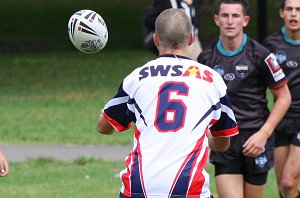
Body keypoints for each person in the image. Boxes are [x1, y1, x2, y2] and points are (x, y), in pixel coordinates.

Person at [97, 8, 239, 198]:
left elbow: (104, 128)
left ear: (155, 39)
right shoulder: (213, 81)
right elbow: (223, 143)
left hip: (139, 188)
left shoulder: (137, 78)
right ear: (190, 39)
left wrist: (103, 115)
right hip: (189, 191)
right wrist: (202, 136)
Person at [197, 0, 292, 198]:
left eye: (235, 16)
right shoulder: (206, 59)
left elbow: (284, 97)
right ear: (217, 20)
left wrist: (264, 134)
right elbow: (199, 101)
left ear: (245, 20)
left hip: (256, 139)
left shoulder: (261, 55)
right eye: (225, 16)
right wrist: (207, 133)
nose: (230, 21)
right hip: (224, 139)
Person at [263, 0, 300, 197]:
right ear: (281, 13)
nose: (294, 14)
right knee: (284, 189)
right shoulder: (271, 45)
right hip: (281, 120)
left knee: (287, 182)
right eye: (290, 9)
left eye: (299, 10)